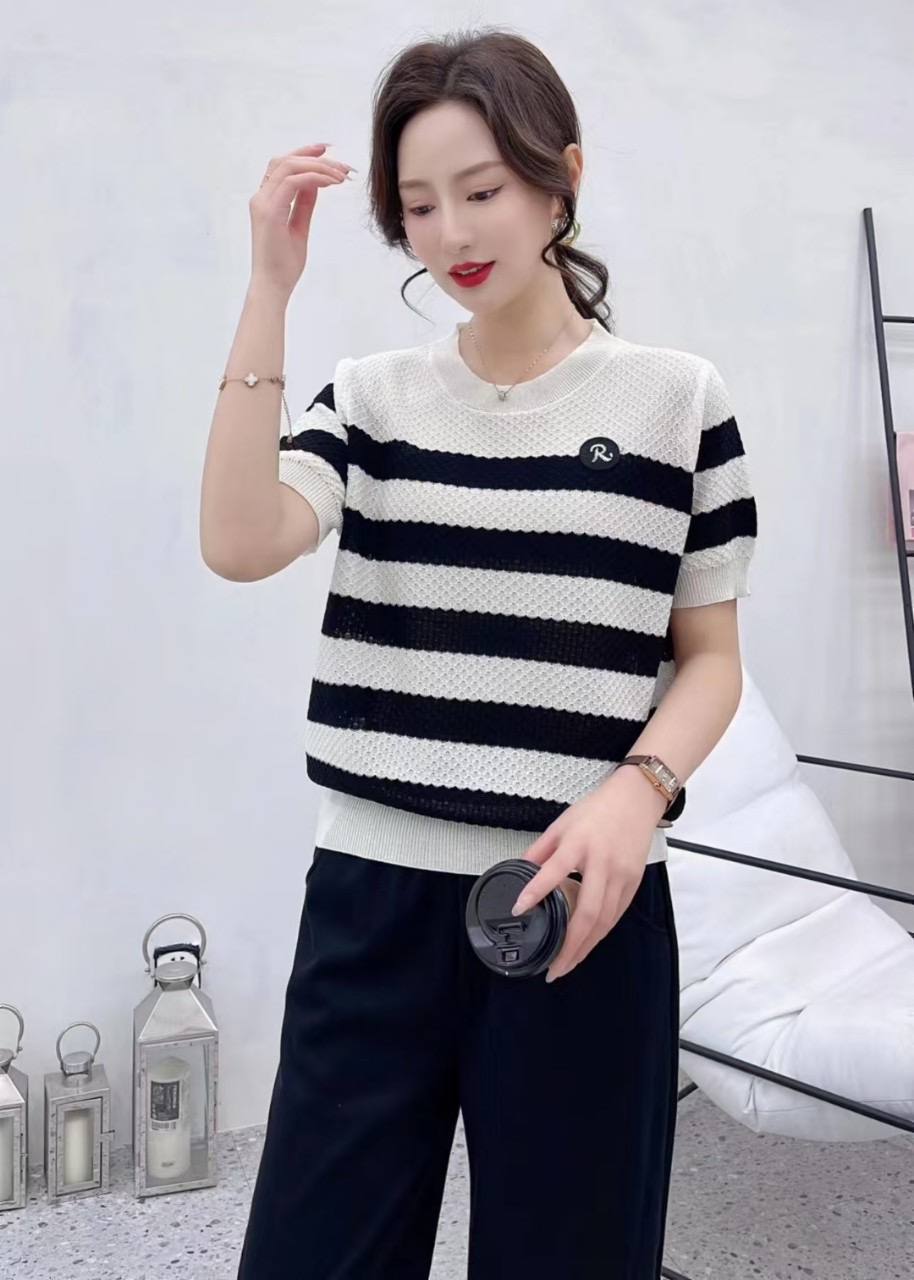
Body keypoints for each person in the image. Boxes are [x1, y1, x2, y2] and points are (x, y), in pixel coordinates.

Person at [199, 26, 757, 1280]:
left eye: (481, 188)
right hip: (370, 905)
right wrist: (269, 288)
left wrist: (637, 790)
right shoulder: (371, 398)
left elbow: (711, 655)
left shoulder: (676, 401)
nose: (450, 231)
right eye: (416, 205)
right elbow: (237, 540)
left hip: (581, 906)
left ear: (561, 177)